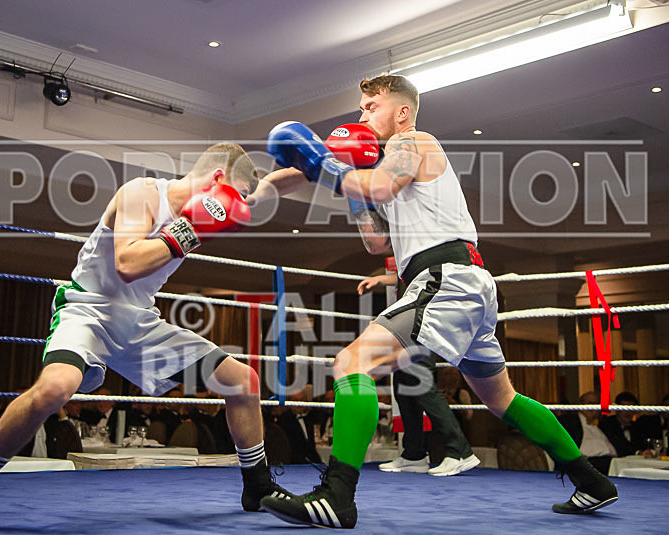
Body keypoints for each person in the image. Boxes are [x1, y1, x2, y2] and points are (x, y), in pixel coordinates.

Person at [250, 74, 617, 528]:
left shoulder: (414, 142)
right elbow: (376, 243)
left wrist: (323, 163)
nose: (362, 115)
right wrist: (275, 183)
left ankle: (337, 494)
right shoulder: (388, 163)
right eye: (361, 108)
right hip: (463, 281)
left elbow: (378, 186)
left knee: (351, 364)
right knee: (502, 398)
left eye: (371, 106)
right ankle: (593, 481)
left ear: (401, 111)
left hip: (445, 278)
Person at [0, 143, 293, 534]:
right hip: (89, 310)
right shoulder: (142, 193)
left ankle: (257, 485)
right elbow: (128, 263)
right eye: (236, 195)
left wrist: (324, 165)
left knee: (243, 381)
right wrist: (189, 230)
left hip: (139, 321)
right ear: (218, 179)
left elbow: (268, 186)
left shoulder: (220, 199)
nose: (237, 206)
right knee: (53, 390)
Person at [359, 274, 478, 475]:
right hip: (408, 326)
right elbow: (405, 274)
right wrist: (381, 279)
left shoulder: (426, 250)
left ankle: (460, 451)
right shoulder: (409, 260)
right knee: (403, 385)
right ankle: (414, 454)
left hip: (421, 323)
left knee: (423, 386)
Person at [558, 391, 617, 474]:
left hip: (612, 461)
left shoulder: (606, 423)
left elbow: (619, 443)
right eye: (589, 403)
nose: (592, 407)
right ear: (581, 405)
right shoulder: (569, 421)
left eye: (595, 403)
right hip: (586, 463)